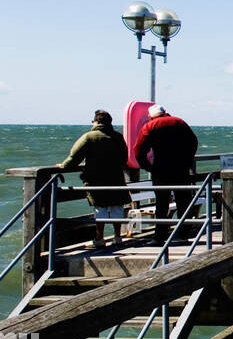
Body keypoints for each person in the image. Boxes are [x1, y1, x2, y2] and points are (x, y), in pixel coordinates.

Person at [56, 109, 130, 248]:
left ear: (96, 121)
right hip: (116, 178)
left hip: (96, 179)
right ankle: (117, 237)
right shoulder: (118, 137)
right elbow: (124, 158)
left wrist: (62, 166)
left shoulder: (89, 137)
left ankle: (99, 238)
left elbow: (74, 157)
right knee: (116, 208)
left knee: (100, 208)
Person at [133, 105, 200, 246]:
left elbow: (139, 150)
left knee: (162, 205)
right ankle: (183, 235)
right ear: (164, 113)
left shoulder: (150, 126)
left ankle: (159, 237)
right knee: (183, 203)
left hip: (161, 170)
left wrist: (148, 167)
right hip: (181, 169)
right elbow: (193, 142)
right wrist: (187, 160)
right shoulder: (179, 122)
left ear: (151, 116)